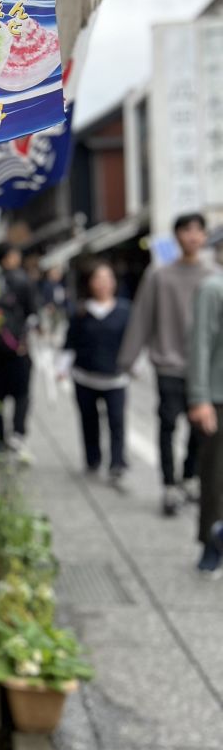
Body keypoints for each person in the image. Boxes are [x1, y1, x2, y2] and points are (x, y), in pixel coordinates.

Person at [119, 212, 213, 515]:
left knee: (202, 427)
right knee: (168, 424)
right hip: (168, 364)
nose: (193, 236)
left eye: (199, 230)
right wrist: (128, 359)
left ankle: (189, 477)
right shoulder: (159, 276)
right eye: (187, 230)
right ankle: (169, 484)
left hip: (205, 368)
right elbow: (142, 317)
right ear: (176, 236)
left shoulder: (214, 275)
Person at [63, 263, 132, 487]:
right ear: (90, 283)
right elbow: (70, 342)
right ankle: (93, 459)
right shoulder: (81, 312)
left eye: (107, 278)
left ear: (114, 282)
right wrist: (61, 367)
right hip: (85, 376)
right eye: (98, 278)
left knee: (117, 421)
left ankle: (117, 463)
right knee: (89, 421)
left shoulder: (125, 311)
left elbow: (133, 342)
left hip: (116, 377)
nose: (103, 283)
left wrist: (134, 364)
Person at [0, 243, 37, 460]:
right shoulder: (22, 280)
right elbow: (32, 314)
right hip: (17, 350)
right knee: (21, 394)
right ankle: (17, 434)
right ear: (7, 258)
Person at [187, 269, 223, 573]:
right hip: (218, 396)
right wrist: (199, 397)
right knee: (215, 478)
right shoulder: (213, 287)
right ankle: (211, 544)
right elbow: (200, 343)